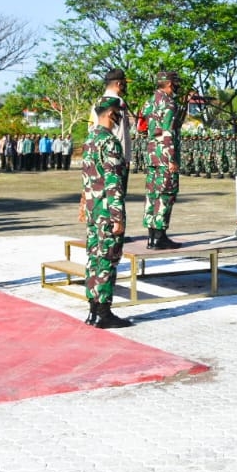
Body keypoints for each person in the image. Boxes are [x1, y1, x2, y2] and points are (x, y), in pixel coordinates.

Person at [82, 96, 131, 329]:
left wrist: (84, 205)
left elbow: (87, 178)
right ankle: (103, 312)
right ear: (111, 114)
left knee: (93, 258)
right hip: (106, 212)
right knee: (107, 260)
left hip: (93, 210)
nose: (120, 117)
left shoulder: (91, 138)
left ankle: (93, 309)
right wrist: (117, 217)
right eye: (118, 113)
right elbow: (113, 182)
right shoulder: (109, 142)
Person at [140, 71, 182, 249]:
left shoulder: (149, 102)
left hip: (152, 154)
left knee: (152, 194)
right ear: (170, 84)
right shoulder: (169, 103)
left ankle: (151, 237)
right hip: (165, 155)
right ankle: (160, 237)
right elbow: (168, 132)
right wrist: (171, 158)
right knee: (166, 195)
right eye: (176, 83)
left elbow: (140, 127)